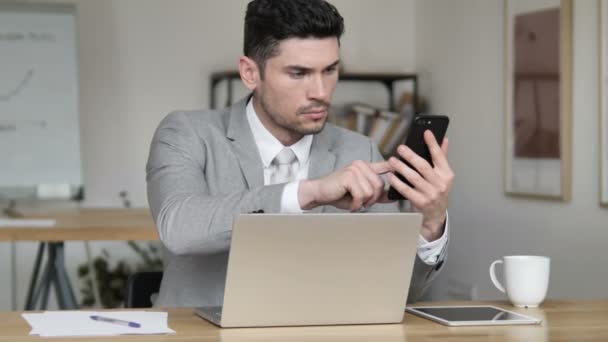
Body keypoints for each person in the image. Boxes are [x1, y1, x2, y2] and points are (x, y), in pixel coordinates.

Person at [146, 0, 454, 308]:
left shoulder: (358, 150)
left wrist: (430, 224)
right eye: (298, 73)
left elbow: (394, 292)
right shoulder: (186, 133)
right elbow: (179, 227)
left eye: (330, 70)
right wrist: (308, 193)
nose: (320, 91)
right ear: (250, 73)